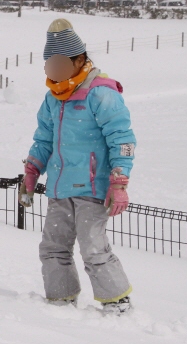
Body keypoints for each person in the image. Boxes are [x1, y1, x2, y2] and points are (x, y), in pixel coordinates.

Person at [19, 19, 136, 314]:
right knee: (52, 248)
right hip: (60, 187)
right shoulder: (52, 98)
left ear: (79, 60)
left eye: (58, 62)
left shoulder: (101, 94)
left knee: (93, 248)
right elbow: (44, 139)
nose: (52, 69)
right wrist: (32, 171)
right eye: (48, 63)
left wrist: (119, 181)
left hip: (92, 188)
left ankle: (117, 302)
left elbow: (123, 140)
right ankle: (60, 301)